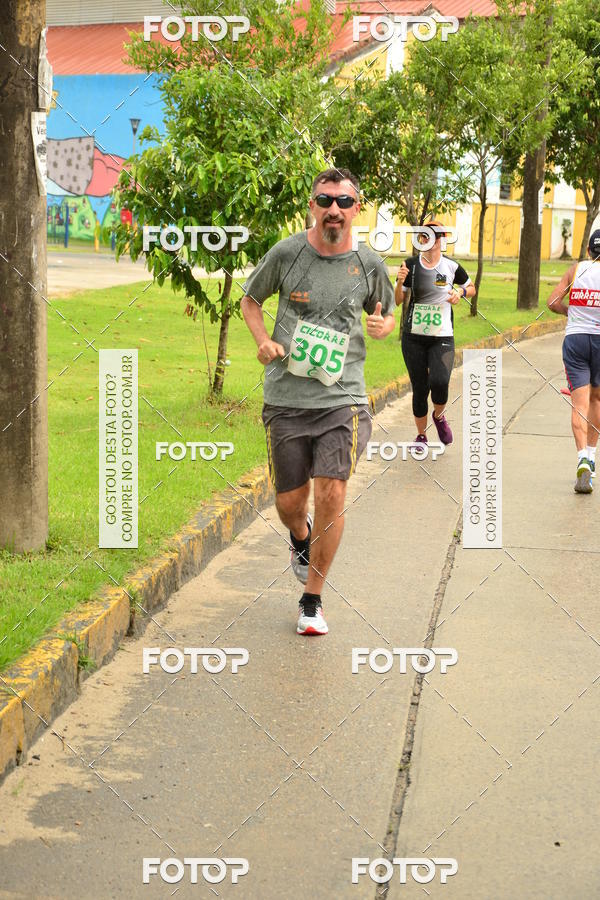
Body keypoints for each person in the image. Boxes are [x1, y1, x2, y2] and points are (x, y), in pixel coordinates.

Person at [241, 168, 395, 635]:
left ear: (356, 208)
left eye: (343, 202)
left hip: (342, 399)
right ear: (312, 205)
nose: (334, 210)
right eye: (325, 200)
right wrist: (263, 340)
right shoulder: (288, 253)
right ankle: (300, 537)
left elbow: (385, 313)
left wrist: (383, 327)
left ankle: (312, 599)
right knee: (291, 504)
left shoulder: (369, 264)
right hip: (287, 399)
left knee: (332, 491)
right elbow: (250, 299)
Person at [395, 221, 475, 450]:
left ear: (444, 239)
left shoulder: (451, 267)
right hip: (414, 338)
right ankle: (421, 437)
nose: (433, 239)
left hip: (442, 337)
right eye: (427, 235)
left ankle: (438, 416)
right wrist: (400, 280)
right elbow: (398, 300)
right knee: (420, 388)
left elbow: (472, 287)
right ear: (421, 239)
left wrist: (460, 292)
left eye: (438, 235)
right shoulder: (410, 266)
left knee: (440, 382)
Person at [546, 228, 600, 493]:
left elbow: (552, 302)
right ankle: (591, 457)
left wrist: (572, 312)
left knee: (579, 403)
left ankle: (581, 459)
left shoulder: (576, 269)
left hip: (576, 339)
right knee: (597, 400)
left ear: (589, 250)